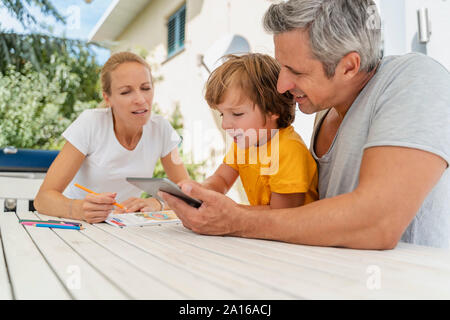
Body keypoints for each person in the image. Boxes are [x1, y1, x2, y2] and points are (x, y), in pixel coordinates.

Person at [161, 0, 450, 249]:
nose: (281, 85)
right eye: (281, 66)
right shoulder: (326, 111)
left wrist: (236, 220)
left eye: (295, 71)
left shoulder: (415, 79)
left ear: (348, 66)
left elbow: (377, 223)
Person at [34, 52, 189, 223]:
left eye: (145, 88)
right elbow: (42, 199)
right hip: (79, 225)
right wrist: (78, 209)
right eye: (125, 92)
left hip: (124, 227)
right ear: (107, 98)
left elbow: (186, 192)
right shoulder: (90, 123)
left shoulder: (162, 129)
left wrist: (156, 203)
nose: (140, 99)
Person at [180, 53, 318, 209]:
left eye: (237, 114)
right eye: (222, 114)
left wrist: (229, 211)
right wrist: (198, 191)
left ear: (272, 109)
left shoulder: (289, 150)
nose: (225, 125)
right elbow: (221, 180)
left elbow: (281, 216)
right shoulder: (244, 144)